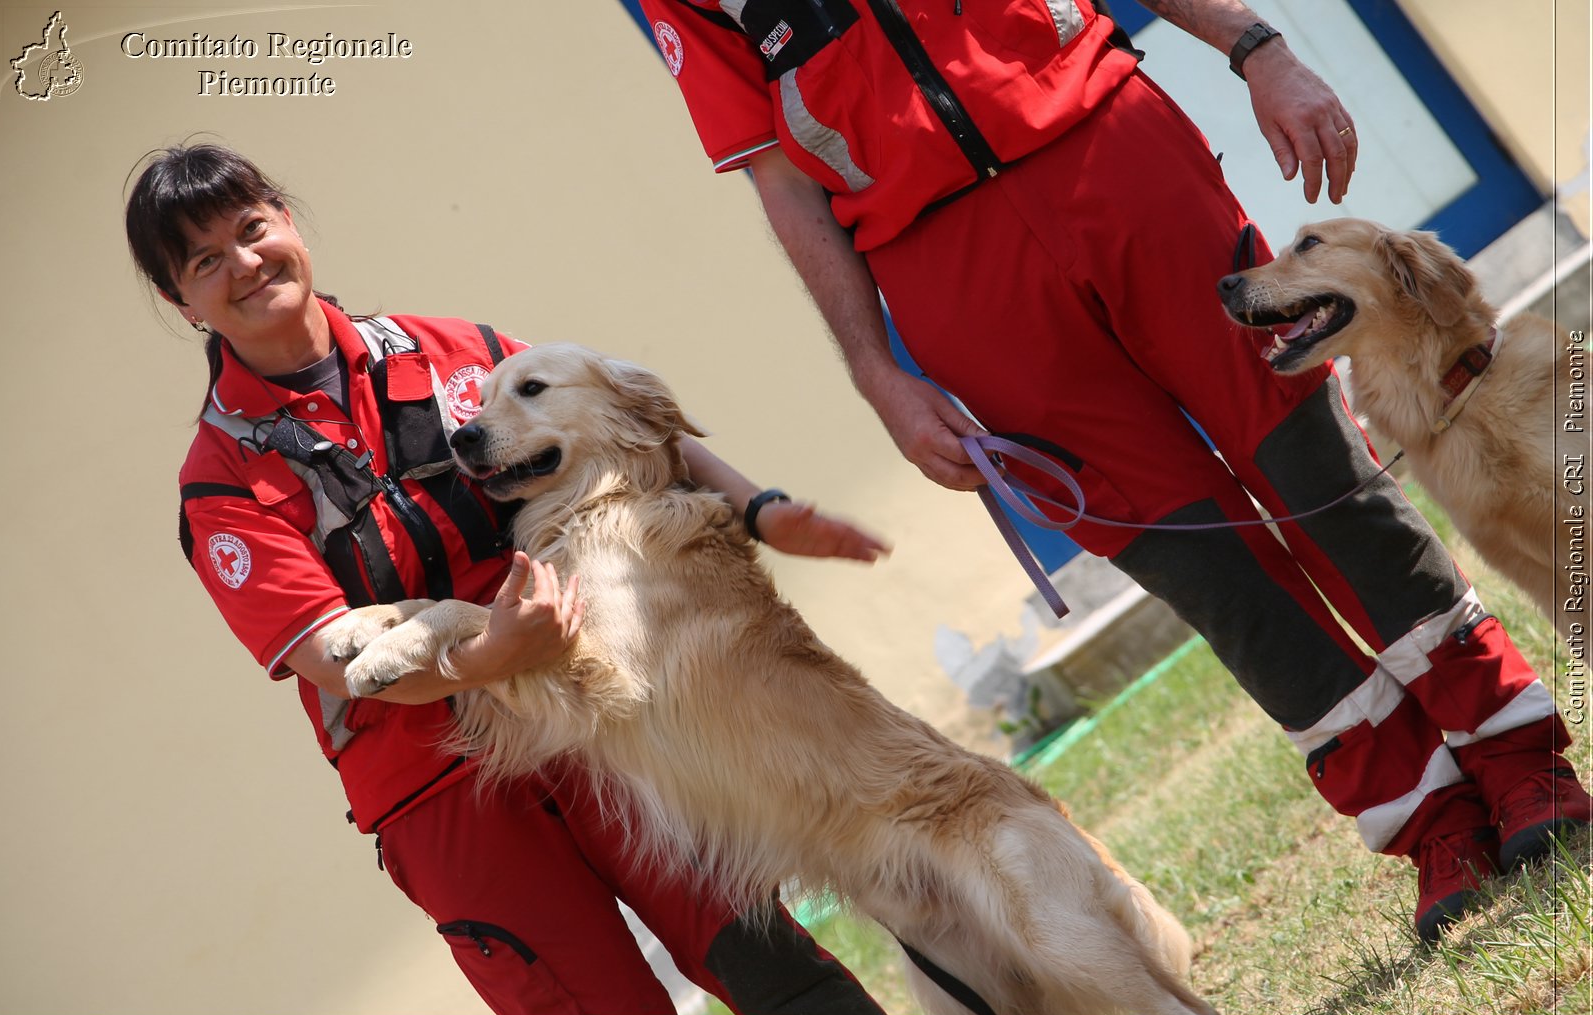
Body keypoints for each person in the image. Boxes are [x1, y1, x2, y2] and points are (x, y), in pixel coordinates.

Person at [636, 0, 1592, 942]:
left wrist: (1256, 47)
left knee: (1317, 475)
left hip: (1114, 150)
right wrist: (876, 370)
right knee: (1206, 573)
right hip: (946, 266)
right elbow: (782, 179)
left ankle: (1518, 758)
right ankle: (1427, 821)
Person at [126, 143, 917, 1015]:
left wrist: (760, 509)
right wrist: (487, 656)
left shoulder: (454, 350)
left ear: (288, 221)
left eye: (251, 228)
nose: (246, 264)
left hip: (598, 712)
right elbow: (340, 658)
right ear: (182, 303)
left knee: (779, 971)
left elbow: (613, 422)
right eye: (204, 261)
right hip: (442, 791)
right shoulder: (218, 484)